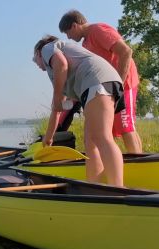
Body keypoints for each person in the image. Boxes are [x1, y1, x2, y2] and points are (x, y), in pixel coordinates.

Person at [33, 35, 124, 187]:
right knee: (90, 143)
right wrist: (48, 139)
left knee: (102, 137)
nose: (36, 63)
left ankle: (118, 189)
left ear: (38, 53)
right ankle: (93, 186)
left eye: (34, 59)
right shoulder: (58, 75)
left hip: (96, 80)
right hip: (100, 82)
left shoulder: (47, 48)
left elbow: (61, 64)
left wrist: (56, 97)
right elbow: (57, 110)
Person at [59, 10, 143, 153]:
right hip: (108, 88)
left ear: (74, 26)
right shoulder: (85, 44)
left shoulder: (97, 30)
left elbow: (126, 52)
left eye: (67, 33)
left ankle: (140, 166)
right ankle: (112, 165)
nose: (68, 37)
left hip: (124, 83)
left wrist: (119, 85)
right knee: (106, 130)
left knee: (125, 125)